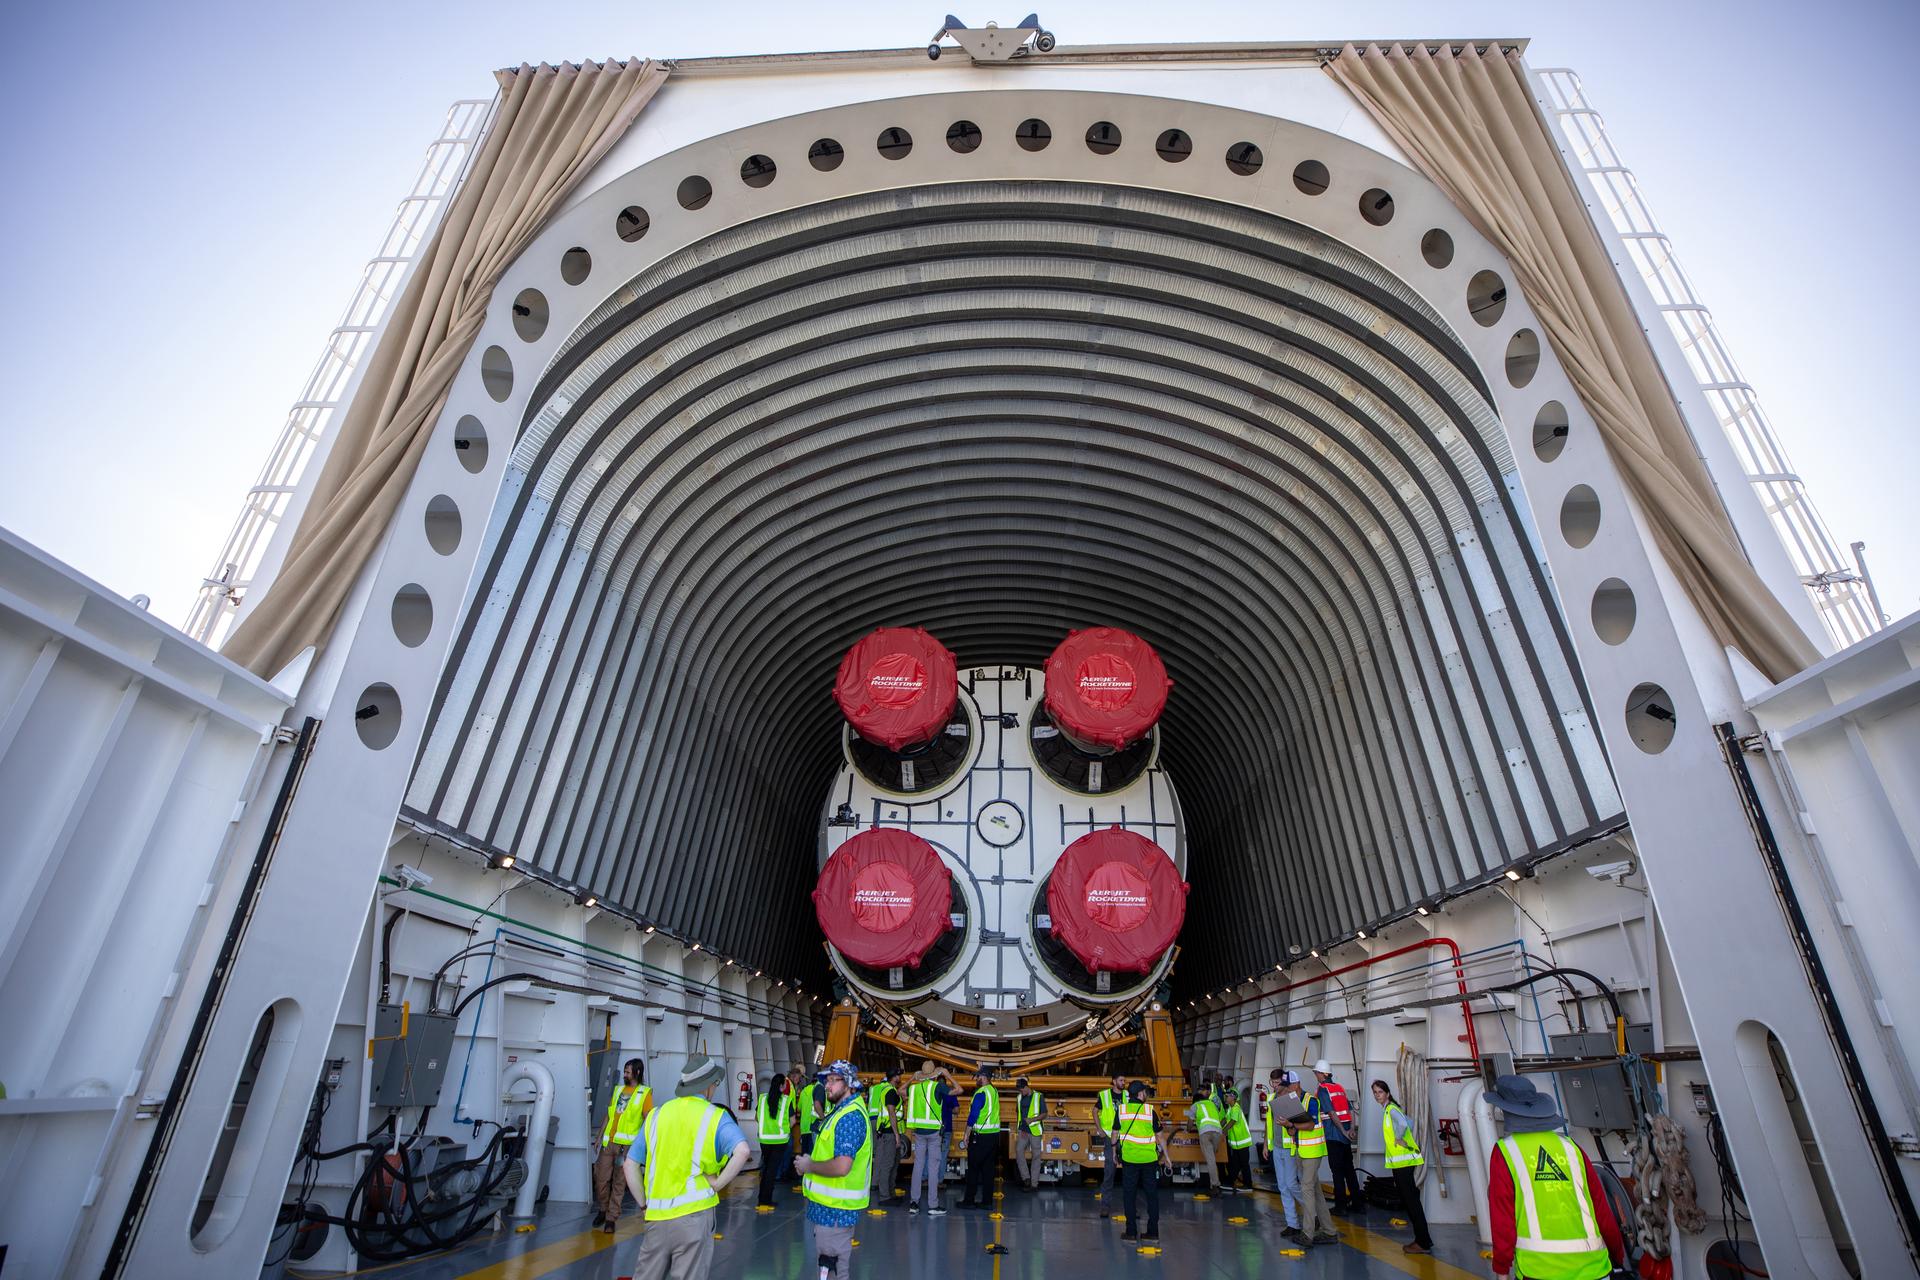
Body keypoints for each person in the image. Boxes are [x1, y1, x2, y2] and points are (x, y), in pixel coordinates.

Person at [1483, 1075, 1626, 1280]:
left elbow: (1502, 1217)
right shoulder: (1571, 1148)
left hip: (1540, 1270)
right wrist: (1617, 1255)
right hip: (1595, 1268)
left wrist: (1502, 1270)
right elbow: (1601, 1209)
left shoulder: (1506, 1152)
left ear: (1504, 1109)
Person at [623, 1054, 750, 1280]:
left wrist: (644, 1205)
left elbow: (630, 1164)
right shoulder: (716, 1116)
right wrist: (717, 1184)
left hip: (656, 1217)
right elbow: (742, 1151)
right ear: (709, 1086)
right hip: (694, 1217)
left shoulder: (656, 1115)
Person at [797, 1060, 872, 1279]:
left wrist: (809, 1165)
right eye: (826, 1080)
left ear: (848, 1083)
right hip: (827, 1209)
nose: (827, 1086)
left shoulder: (849, 1117)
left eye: (832, 1080)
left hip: (835, 1211)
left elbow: (842, 1166)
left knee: (832, 1267)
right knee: (828, 1266)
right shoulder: (840, 1112)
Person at [1370, 1080, 1434, 1254]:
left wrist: (1399, 1138)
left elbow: (1405, 1125)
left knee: (1411, 1202)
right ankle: (1424, 1240)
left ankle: (1422, 1242)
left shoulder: (1391, 1110)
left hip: (1403, 1163)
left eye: (1380, 1092)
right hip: (1402, 1162)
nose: (1377, 1095)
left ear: (1387, 1093)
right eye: (1375, 1092)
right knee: (1411, 1201)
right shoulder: (1390, 1109)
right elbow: (1410, 1122)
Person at [594, 1058, 652, 1231]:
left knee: (619, 1182)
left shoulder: (645, 1093)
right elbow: (610, 1115)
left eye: (628, 1072)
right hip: (609, 1143)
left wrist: (641, 1146)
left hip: (626, 1148)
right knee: (601, 1179)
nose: (625, 1075)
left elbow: (647, 1120)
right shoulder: (619, 1090)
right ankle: (603, 1209)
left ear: (637, 1073)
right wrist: (599, 1136)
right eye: (625, 1071)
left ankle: (611, 1218)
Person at [1112, 1079, 1171, 1243]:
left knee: (1129, 1195)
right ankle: (1153, 1233)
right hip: (1149, 1160)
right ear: (1139, 1093)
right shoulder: (1149, 1111)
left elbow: (1115, 1133)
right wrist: (1166, 1157)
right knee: (1152, 1195)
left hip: (1129, 1160)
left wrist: (1113, 1152)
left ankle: (1131, 1232)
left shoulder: (1121, 1110)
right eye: (1145, 1091)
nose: (1146, 1094)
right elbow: (1160, 1137)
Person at [1263, 1070, 1315, 1246]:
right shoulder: (1271, 1099)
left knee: (1292, 1184)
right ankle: (1292, 1224)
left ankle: (1312, 1215)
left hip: (1290, 1147)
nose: (1276, 1086)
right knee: (1283, 1186)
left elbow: (1300, 1124)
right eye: (1273, 1083)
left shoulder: (1293, 1100)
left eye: (1278, 1083)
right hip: (1276, 1147)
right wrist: (1265, 1144)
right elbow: (1268, 1124)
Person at [1312, 1059, 1364, 1215]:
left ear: (1323, 1074)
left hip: (1334, 1135)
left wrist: (1342, 1131)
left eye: (1317, 1073)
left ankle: (1340, 1207)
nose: (1316, 1076)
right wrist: (1351, 1130)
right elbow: (1351, 1110)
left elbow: (1331, 1113)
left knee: (1337, 1171)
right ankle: (1358, 1205)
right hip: (1346, 1135)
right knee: (1349, 1170)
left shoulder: (1322, 1089)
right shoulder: (1339, 1088)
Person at [904, 1060, 952, 1215]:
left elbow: (899, 1091)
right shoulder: (938, 1086)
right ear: (934, 1075)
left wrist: (912, 1078)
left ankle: (914, 1203)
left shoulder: (914, 1088)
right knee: (933, 1168)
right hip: (933, 1134)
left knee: (918, 1166)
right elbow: (959, 1089)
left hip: (918, 1132)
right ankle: (933, 1205)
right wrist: (947, 1075)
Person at [1296, 1069, 1337, 1244]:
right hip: (1303, 1151)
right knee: (1316, 1192)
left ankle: (1308, 1234)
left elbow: (1311, 1125)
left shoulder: (1311, 1100)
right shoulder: (1294, 1101)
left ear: (1295, 1085)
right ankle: (1329, 1231)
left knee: (1306, 1188)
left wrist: (1292, 1124)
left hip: (1313, 1151)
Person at [959, 1069, 1001, 1208]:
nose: (976, 1079)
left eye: (977, 1077)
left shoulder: (981, 1093)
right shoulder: (994, 1091)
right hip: (993, 1136)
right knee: (988, 1170)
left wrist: (966, 1134)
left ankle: (969, 1201)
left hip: (980, 1137)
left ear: (983, 1077)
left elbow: (973, 1115)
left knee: (973, 1169)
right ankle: (987, 1202)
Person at [755, 1073, 794, 1210]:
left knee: (766, 1168)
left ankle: (761, 1198)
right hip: (780, 1140)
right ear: (782, 1086)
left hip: (764, 1139)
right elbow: (792, 1120)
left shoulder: (762, 1099)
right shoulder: (786, 1100)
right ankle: (766, 1200)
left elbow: (757, 1117)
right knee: (771, 1170)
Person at [864, 1069, 903, 1203]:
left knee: (893, 1163)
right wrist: (897, 1135)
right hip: (889, 1132)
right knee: (888, 1163)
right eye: (899, 1076)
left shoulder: (886, 1090)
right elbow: (892, 1113)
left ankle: (890, 1194)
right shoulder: (890, 1091)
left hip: (887, 1131)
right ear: (894, 1078)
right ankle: (885, 1196)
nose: (900, 1078)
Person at [1095, 1073, 1127, 1198]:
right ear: (1114, 1081)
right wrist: (1099, 1129)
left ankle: (1129, 1201)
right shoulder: (1104, 1095)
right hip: (1109, 1136)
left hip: (1124, 1136)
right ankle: (1105, 1198)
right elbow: (1094, 1111)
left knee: (1129, 1169)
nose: (1123, 1082)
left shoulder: (1127, 1095)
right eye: (1121, 1080)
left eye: (1124, 1080)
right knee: (1109, 1168)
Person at [1190, 1086, 1225, 1195]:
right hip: (1218, 1132)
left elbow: (1190, 1124)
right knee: (1212, 1158)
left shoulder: (1195, 1106)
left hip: (1205, 1133)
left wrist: (1189, 1129)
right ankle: (1213, 1183)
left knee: (1210, 1160)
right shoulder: (1212, 1104)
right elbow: (1220, 1118)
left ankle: (1215, 1186)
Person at [1014, 1077, 1046, 1190]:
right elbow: (1019, 1114)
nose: (1020, 1092)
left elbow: (1044, 1114)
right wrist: (1022, 1128)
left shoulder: (1038, 1096)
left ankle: (1034, 1184)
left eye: (1022, 1090)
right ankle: (1026, 1178)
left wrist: (1032, 1120)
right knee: (1018, 1151)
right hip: (1024, 1130)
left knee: (1036, 1157)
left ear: (1027, 1087)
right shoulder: (1019, 1097)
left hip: (1035, 1131)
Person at [1222, 1086, 1254, 1193]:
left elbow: (1232, 1122)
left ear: (1233, 1098)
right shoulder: (1230, 1109)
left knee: (1244, 1164)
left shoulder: (1236, 1108)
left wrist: (1223, 1131)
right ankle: (1231, 1181)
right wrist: (1217, 1127)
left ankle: (1248, 1185)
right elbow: (1225, 1119)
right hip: (1236, 1144)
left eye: (1227, 1096)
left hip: (1242, 1142)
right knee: (1235, 1163)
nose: (1225, 1098)